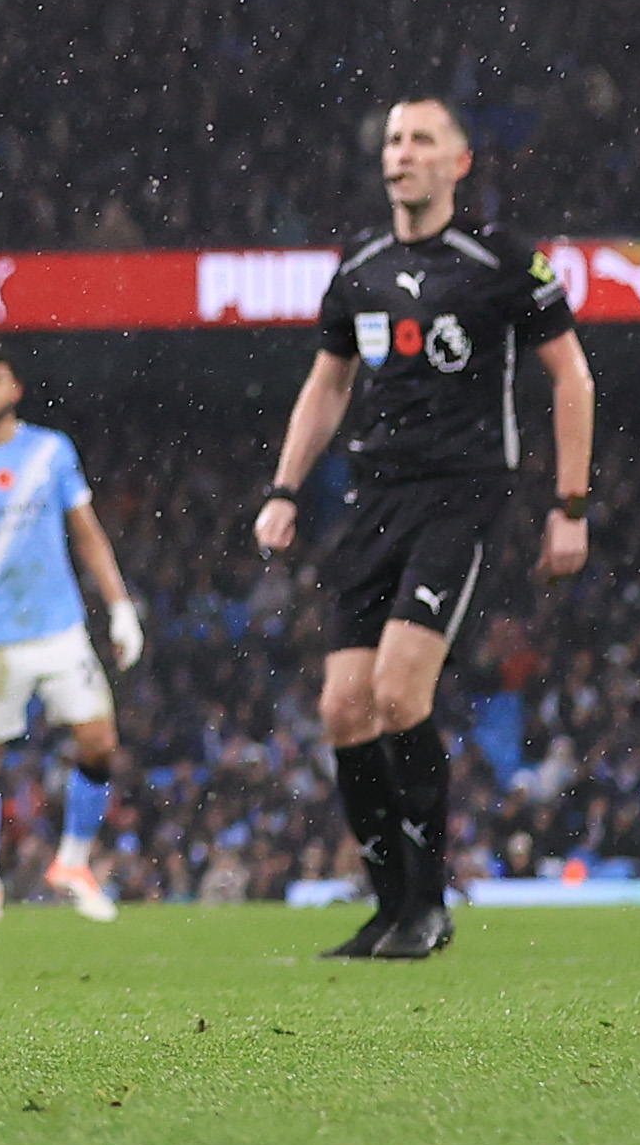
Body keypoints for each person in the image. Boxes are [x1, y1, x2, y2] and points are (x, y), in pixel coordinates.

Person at [251, 96, 594, 962]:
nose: (401, 153)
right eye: (394, 139)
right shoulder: (359, 266)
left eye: (421, 140)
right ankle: (389, 905)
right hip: (374, 499)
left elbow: (573, 377)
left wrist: (571, 504)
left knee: (401, 695)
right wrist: (286, 487)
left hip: (462, 493)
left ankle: (430, 904)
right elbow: (326, 385)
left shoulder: (503, 261)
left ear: (459, 161)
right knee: (340, 709)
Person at [0, 342, 142, 927]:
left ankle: (71, 862)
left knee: (99, 739)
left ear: (15, 389)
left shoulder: (50, 452)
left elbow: (86, 533)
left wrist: (119, 606)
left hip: (58, 628)